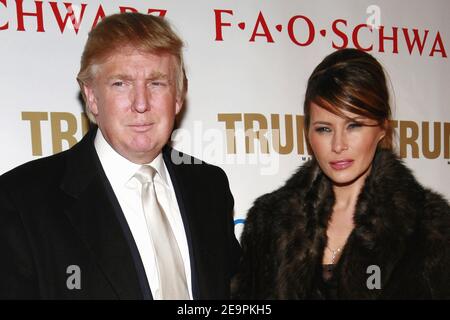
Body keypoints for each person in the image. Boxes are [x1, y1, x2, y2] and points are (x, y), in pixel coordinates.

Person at [0, 13, 240, 299]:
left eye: (157, 83)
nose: (141, 103)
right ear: (91, 96)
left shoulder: (209, 187)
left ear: (178, 96)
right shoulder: (22, 199)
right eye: (121, 84)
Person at [232, 48, 449, 299]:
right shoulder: (269, 221)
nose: (338, 145)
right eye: (324, 129)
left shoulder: (430, 227)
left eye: (354, 125)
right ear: (308, 134)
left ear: (382, 128)